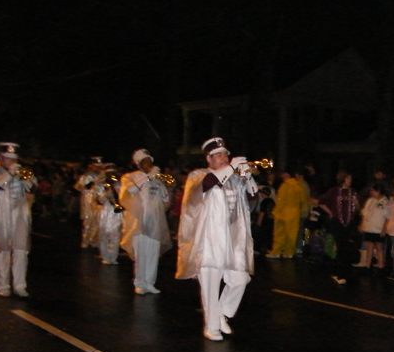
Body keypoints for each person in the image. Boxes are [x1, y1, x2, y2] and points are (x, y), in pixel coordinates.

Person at [176, 137, 256, 341]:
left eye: (226, 155)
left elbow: (253, 195)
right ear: (208, 158)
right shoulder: (198, 175)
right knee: (211, 285)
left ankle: (221, 313)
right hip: (208, 240)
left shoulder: (233, 178)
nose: (224, 158)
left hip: (231, 240)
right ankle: (211, 327)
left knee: (241, 278)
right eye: (219, 155)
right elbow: (208, 183)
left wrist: (247, 176)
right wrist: (231, 167)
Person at [0, 142, 38, 297]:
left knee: (20, 249)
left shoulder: (22, 170)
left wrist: (27, 180)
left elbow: (32, 188)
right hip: (0, 211)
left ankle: (20, 285)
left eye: (14, 159)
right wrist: (10, 173)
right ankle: (3, 285)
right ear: (0, 157)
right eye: (7, 158)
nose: (11, 162)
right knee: (2, 249)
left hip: (19, 211)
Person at [119, 149, 173, 295]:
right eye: (145, 162)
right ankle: (139, 283)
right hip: (138, 221)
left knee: (153, 253)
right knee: (140, 253)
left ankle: (150, 282)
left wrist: (163, 184)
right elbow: (129, 191)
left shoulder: (157, 179)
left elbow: (166, 198)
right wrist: (149, 177)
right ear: (138, 163)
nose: (149, 164)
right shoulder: (130, 177)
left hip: (155, 221)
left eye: (150, 161)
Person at [319, 171, 360, 285]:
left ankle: (345, 271)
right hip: (337, 222)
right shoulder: (334, 191)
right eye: (348, 178)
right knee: (341, 246)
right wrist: (331, 212)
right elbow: (321, 202)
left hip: (350, 222)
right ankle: (340, 273)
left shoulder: (353, 191)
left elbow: (357, 208)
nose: (350, 180)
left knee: (346, 247)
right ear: (343, 179)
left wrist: (357, 203)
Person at [266, 167, 308, 259]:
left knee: (279, 234)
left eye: (284, 174)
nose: (282, 176)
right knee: (291, 234)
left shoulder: (285, 186)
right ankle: (288, 252)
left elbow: (281, 201)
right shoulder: (299, 186)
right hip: (294, 213)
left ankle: (276, 252)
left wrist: (275, 212)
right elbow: (303, 200)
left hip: (282, 213)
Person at [95, 163, 124, 265]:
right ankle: (105, 256)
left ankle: (113, 257)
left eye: (113, 173)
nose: (111, 175)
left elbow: (124, 200)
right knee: (104, 235)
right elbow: (98, 200)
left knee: (115, 235)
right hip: (104, 212)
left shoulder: (120, 185)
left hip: (116, 214)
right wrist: (106, 193)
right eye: (109, 173)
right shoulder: (101, 185)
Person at [358, 183, 390, 273]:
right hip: (369, 228)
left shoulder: (385, 202)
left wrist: (384, 230)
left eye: (373, 191)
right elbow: (364, 213)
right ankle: (367, 266)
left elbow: (388, 217)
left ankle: (380, 266)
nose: (371, 192)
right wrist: (362, 224)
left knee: (379, 247)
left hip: (378, 228)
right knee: (369, 247)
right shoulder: (370, 200)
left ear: (378, 191)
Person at [74, 157, 105, 248]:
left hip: (98, 201)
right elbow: (81, 187)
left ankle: (94, 240)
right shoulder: (86, 176)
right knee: (88, 221)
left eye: (100, 167)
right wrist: (94, 182)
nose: (98, 169)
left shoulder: (103, 176)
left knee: (98, 221)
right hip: (88, 201)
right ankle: (85, 241)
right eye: (96, 166)